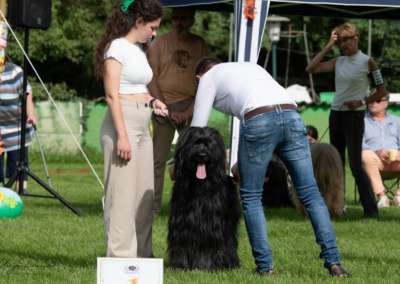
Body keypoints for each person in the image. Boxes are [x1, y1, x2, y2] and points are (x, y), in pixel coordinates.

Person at [191, 57, 350, 277]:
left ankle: (265, 267)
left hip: (259, 119)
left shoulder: (208, 78)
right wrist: (241, 162)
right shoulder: (248, 68)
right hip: (292, 116)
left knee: (251, 196)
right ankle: (335, 263)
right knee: (310, 193)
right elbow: (254, 110)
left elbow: (197, 129)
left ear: (199, 76)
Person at [93, 0, 168, 258]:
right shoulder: (116, 48)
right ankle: (120, 259)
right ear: (139, 22)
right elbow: (112, 95)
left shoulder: (139, 49)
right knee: (122, 196)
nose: (155, 33)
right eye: (153, 27)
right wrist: (122, 136)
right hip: (121, 123)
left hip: (142, 123)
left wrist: (153, 101)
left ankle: (143, 257)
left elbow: (137, 87)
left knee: (145, 196)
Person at [306, 23, 388, 219]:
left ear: (356, 38)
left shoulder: (368, 62)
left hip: (355, 116)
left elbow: (382, 91)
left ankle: (371, 211)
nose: (344, 45)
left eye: (346, 40)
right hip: (336, 114)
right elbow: (310, 68)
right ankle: (336, 207)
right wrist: (327, 45)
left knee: (355, 165)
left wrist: (361, 101)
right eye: (340, 41)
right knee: (336, 163)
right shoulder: (338, 61)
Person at [147, 8, 208, 214]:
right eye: (176, 19)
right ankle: (153, 207)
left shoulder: (199, 44)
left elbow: (205, 81)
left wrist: (190, 111)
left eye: (184, 18)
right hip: (163, 109)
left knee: (196, 158)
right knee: (157, 160)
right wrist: (162, 106)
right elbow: (151, 78)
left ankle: (192, 206)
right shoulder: (159, 43)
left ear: (192, 19)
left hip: (190, 106)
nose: (179, 23)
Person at [0, 26, 35, 189]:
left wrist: (31, 114)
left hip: (16, 126)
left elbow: (27, 93)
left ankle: (21, 187)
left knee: (18, 160)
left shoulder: (15, 72)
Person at [362, 95, 400, 208]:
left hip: (396, 161)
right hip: (374, 162)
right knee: (365, 154)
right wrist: (377, 152)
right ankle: (382, 198)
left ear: (386, 103)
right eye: (370, 100)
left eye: (377, 100)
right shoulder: (361, 121)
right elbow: (359, 144)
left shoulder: (397, 121)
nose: (373, 103)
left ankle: (398, 197)